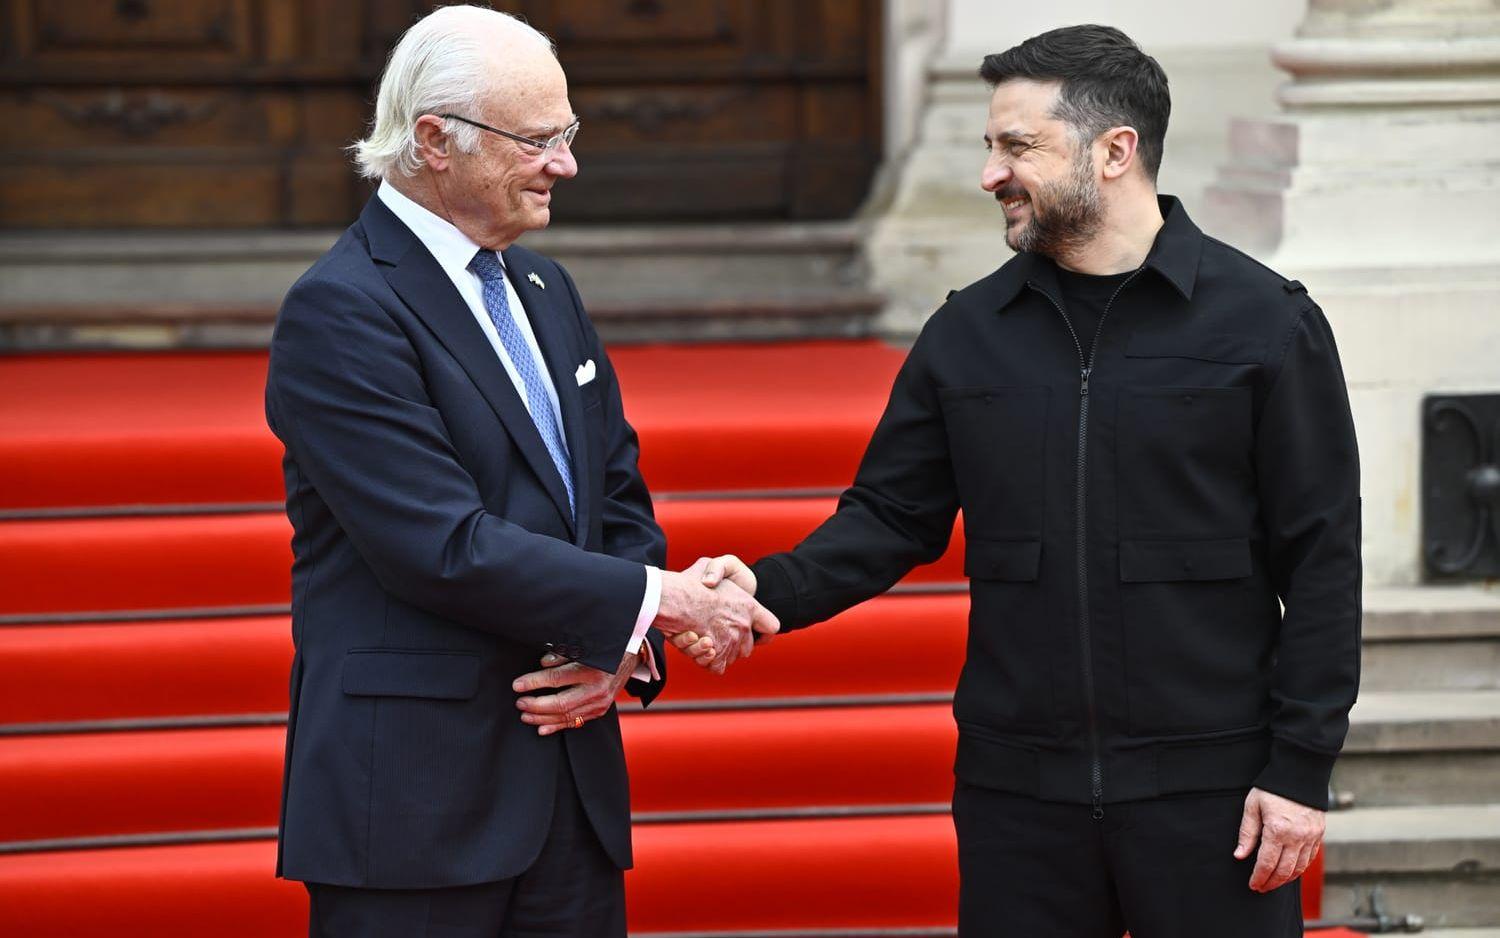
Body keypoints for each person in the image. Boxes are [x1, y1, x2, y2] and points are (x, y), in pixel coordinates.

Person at [684, 24, 1360, 938]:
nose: (990, 173)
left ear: (1115, 151)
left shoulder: (1267, 327)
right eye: (989, 145)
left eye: (1017, 146)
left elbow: (1321, 558)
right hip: (1019, 798)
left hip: (1214, 793)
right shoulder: (969, 333)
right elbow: (889, 518)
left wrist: (1299, 768)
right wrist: (762, 589)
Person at [264, 7, 777, 936]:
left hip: (569, 799)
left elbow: (613, 493)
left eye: (567, 134)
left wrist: (619, 648)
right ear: (433, 143)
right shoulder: (340, 309)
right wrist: (665, 602)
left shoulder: (545, 289)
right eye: (538, 140)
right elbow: (439, 543)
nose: (566, 164)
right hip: (417, 809)